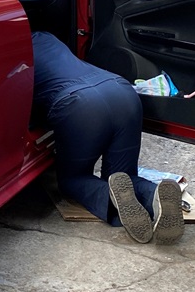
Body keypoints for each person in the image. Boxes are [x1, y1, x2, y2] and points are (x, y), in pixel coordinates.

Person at [31, 30, 183, 244]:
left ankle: (111, 199)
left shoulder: (6, 53)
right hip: (122, 91)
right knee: (123, 175)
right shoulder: (44, 37)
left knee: (73, 179)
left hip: (79, 104)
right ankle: (154, 194)